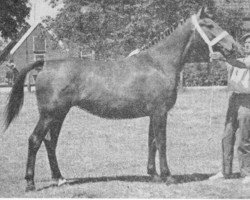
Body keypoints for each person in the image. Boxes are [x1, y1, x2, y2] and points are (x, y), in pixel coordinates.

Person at [209, 33, 250, 184]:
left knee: (244, 138)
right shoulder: (237, 59)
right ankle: (225, 171)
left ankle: (247, 173)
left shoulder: (245, 61)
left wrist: (224, 57)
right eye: (245, 43)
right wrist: (216, 58)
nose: (247, 45)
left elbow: (241, 64)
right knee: (227, 136)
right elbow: (229, 65)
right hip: (234, 99)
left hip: (247, 100)